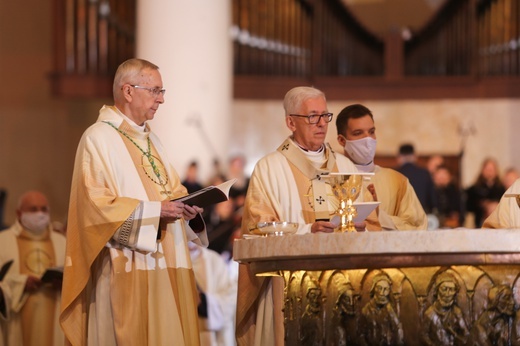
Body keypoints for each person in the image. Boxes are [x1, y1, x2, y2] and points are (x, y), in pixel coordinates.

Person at [59, 58, 208, 345]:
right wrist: (155, 212)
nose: (161, 100)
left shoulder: (152, 141)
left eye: (162, 92)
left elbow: (172, 190)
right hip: (126, 265)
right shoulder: (98, 138)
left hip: (167, 265)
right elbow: (94, 207)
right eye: (155, 91)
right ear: (128, 91)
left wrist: (187, 209)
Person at [236, 86, 380, 346]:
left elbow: (370, 223)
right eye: (312, 117)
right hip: (288, 282)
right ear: (291, 122)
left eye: (325, 116)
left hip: (342, 282)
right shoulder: (269, 168)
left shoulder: (346, 167)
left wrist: (360, 228)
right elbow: (256, 230)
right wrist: (306, 231)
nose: (322, 124)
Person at [336, 104, 428, 230]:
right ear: (342, 140)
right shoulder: (331, 180)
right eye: (358, 133)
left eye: (371, 132)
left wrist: (379, 216)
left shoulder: (398, 181)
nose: (368, 139)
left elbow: (418, 227)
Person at [0, 190, 66, 346]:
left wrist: (65, 285)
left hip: (55, 318)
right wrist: (20, 284)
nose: (40, 214)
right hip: (15, 323)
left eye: (44, 209)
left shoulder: (62, 242)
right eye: (33, 209)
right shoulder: (2, 242)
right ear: (19, 213)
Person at [188, 242, 237, 346]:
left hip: (210, 336)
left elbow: (229, 300)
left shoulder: (214, 260)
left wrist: (204, 301)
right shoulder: (168, 260)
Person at [421, 272, 469, 345]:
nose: (448, 293)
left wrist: (453, 333)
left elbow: (466, 334)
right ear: (437, 291)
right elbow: (423, 335)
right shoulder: (430, 313)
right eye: (444, 289)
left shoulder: (456, 312)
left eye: (452, 289)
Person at [358, 273, 403, 346]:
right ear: (374, 289)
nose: (382, 293)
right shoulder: (366, 310)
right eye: (379, 288)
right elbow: (360, 334)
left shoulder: (390, 309)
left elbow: (398, 329)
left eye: (386, 289)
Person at [396, 143, 437, 214]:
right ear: (414, 157)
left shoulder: (394, 173)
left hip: (399, 217)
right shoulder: (424, 173)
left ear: (399, 157)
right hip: (420, 215)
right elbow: (432, 200)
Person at [465, 157, 505, 228]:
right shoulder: (474, 189)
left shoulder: (502, 188)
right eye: (487, 169)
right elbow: (469, 206)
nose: (489, 171)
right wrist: (484, 204)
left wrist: (496, 205)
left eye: (492, 169)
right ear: (482, 170)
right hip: (480, 222)